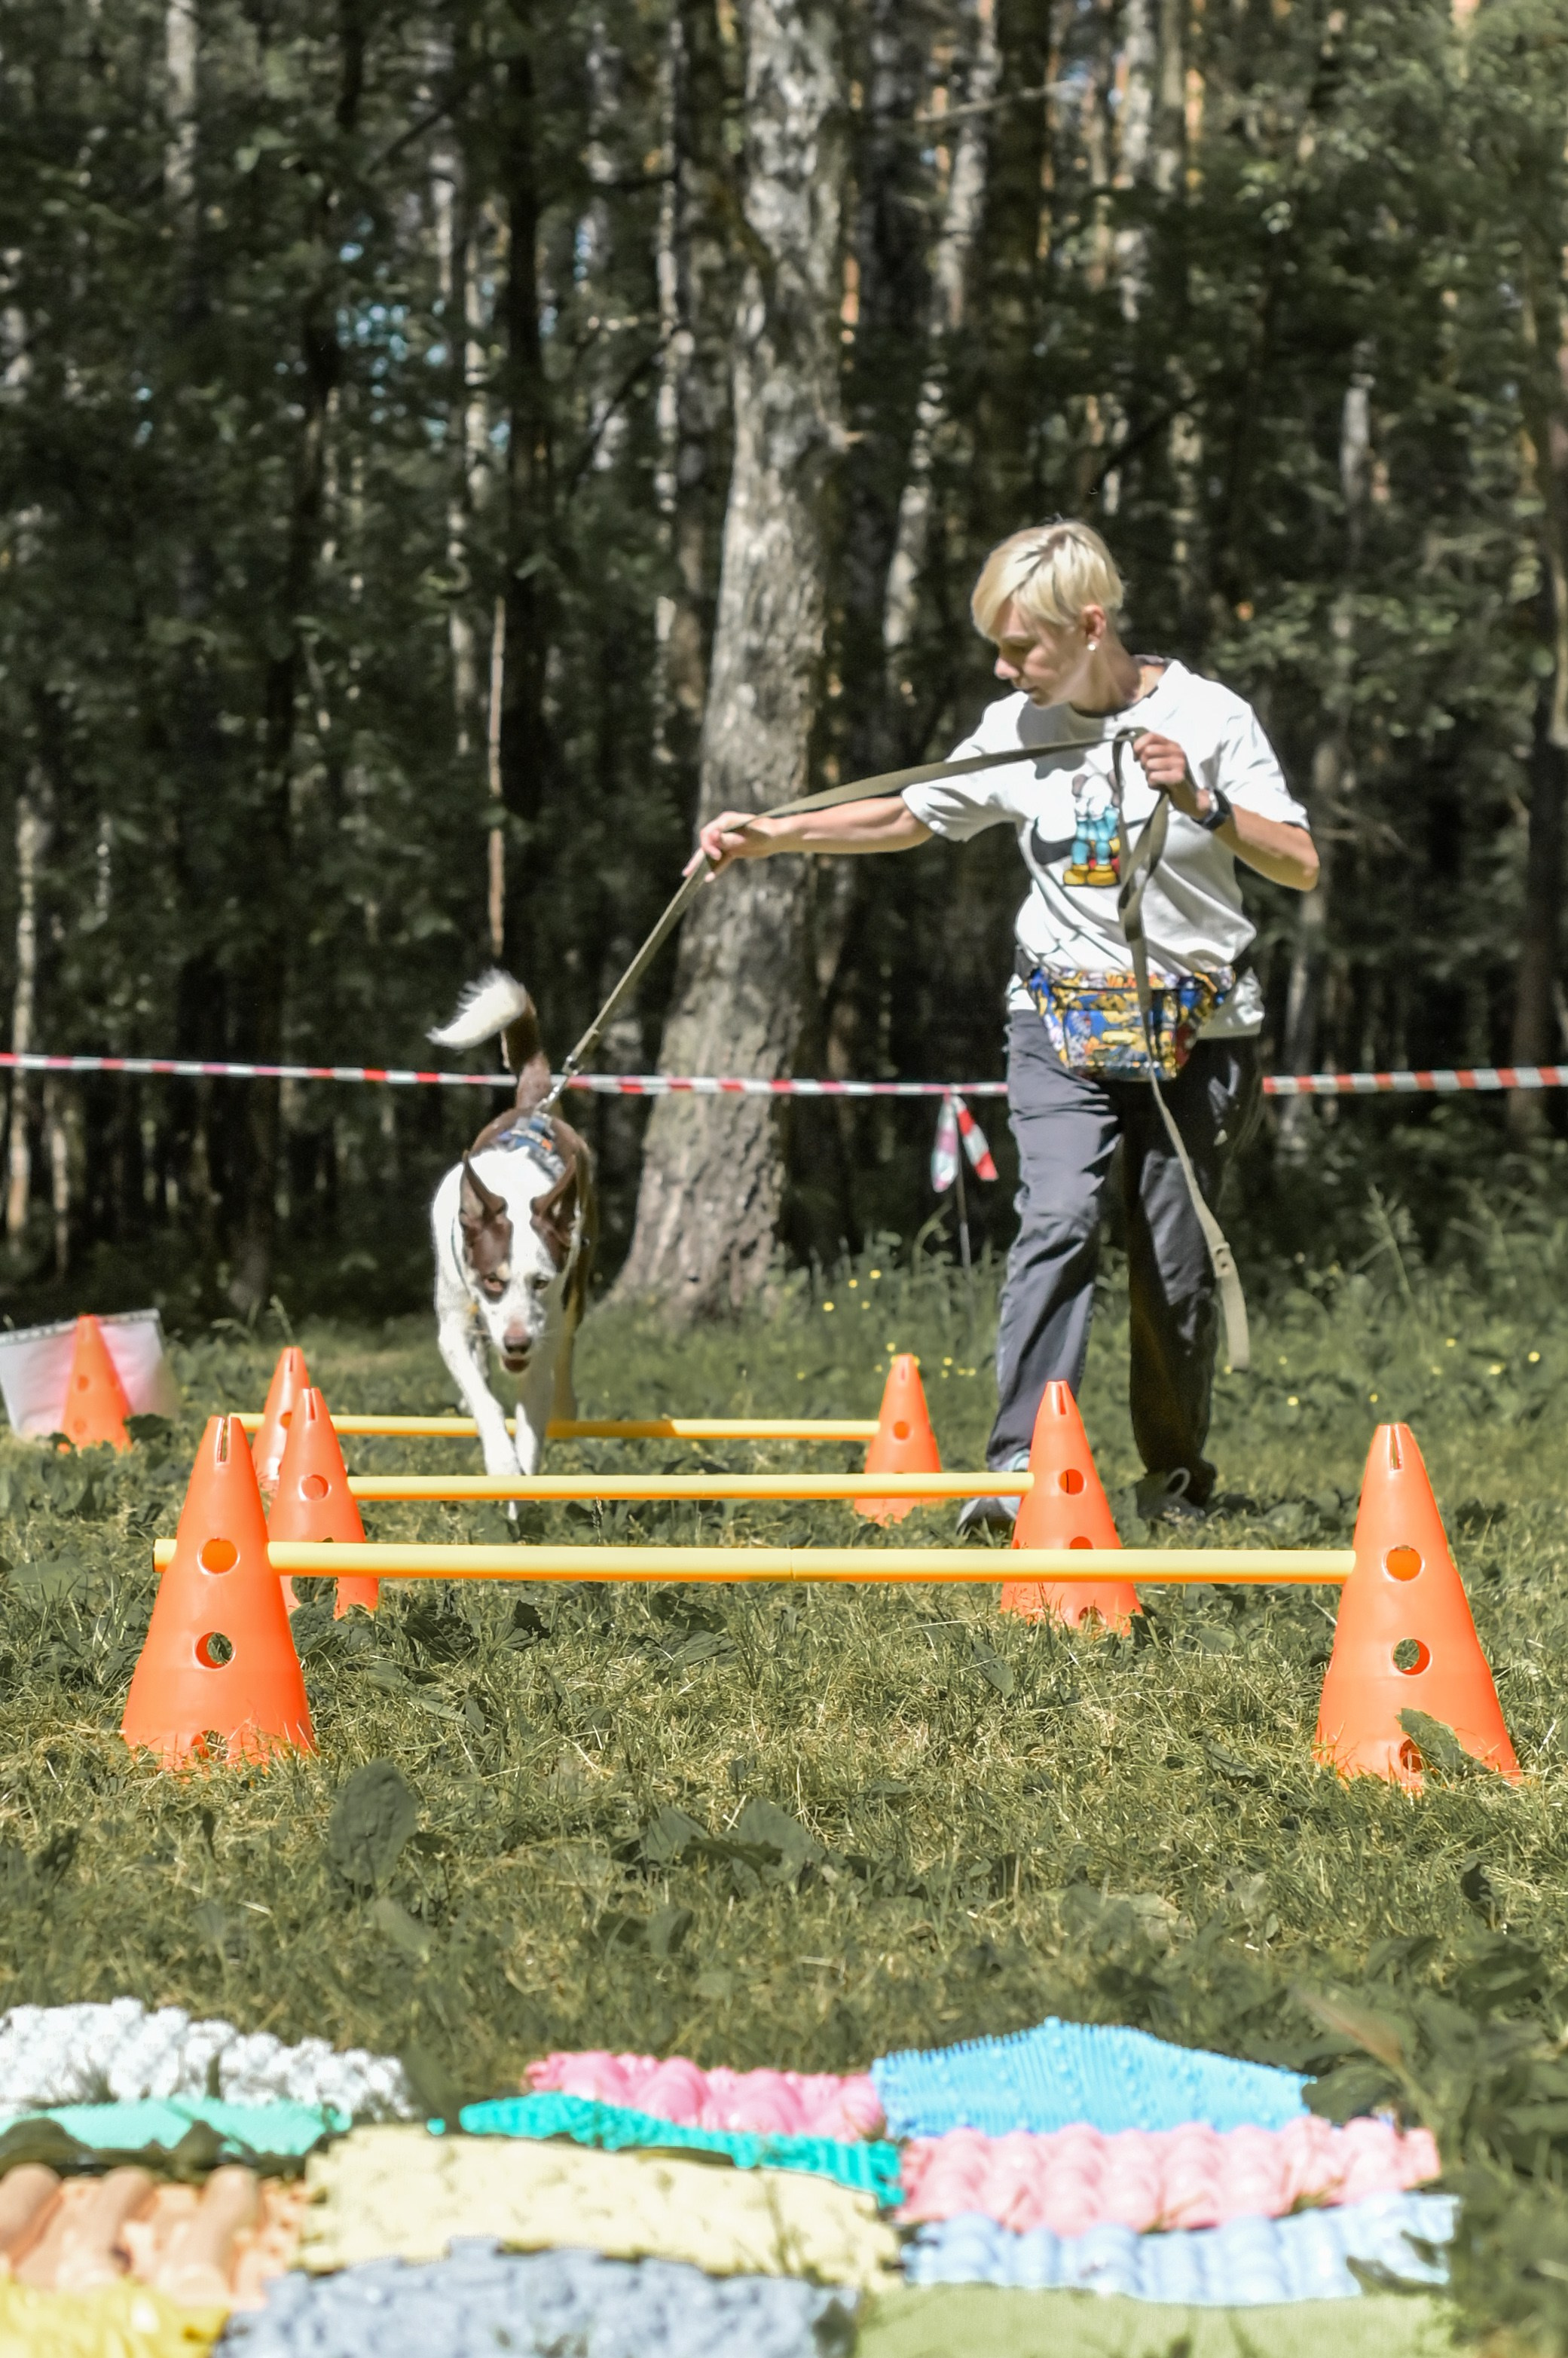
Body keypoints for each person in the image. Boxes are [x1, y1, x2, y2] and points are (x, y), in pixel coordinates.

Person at [692, 520, 1319, 1528]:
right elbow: (906, 814)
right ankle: (1017, 1468)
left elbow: (1296, 860)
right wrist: (772, 835)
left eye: (1020, 644)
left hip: (1197, 1037)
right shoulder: (1012, 728)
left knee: (1174, 1265)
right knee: (1057, 1218)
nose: (1003, 664)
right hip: (1056, 1022)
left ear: (1089, 625)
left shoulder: (1210, 715)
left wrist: (1201, 802)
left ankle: (1170, 1480)